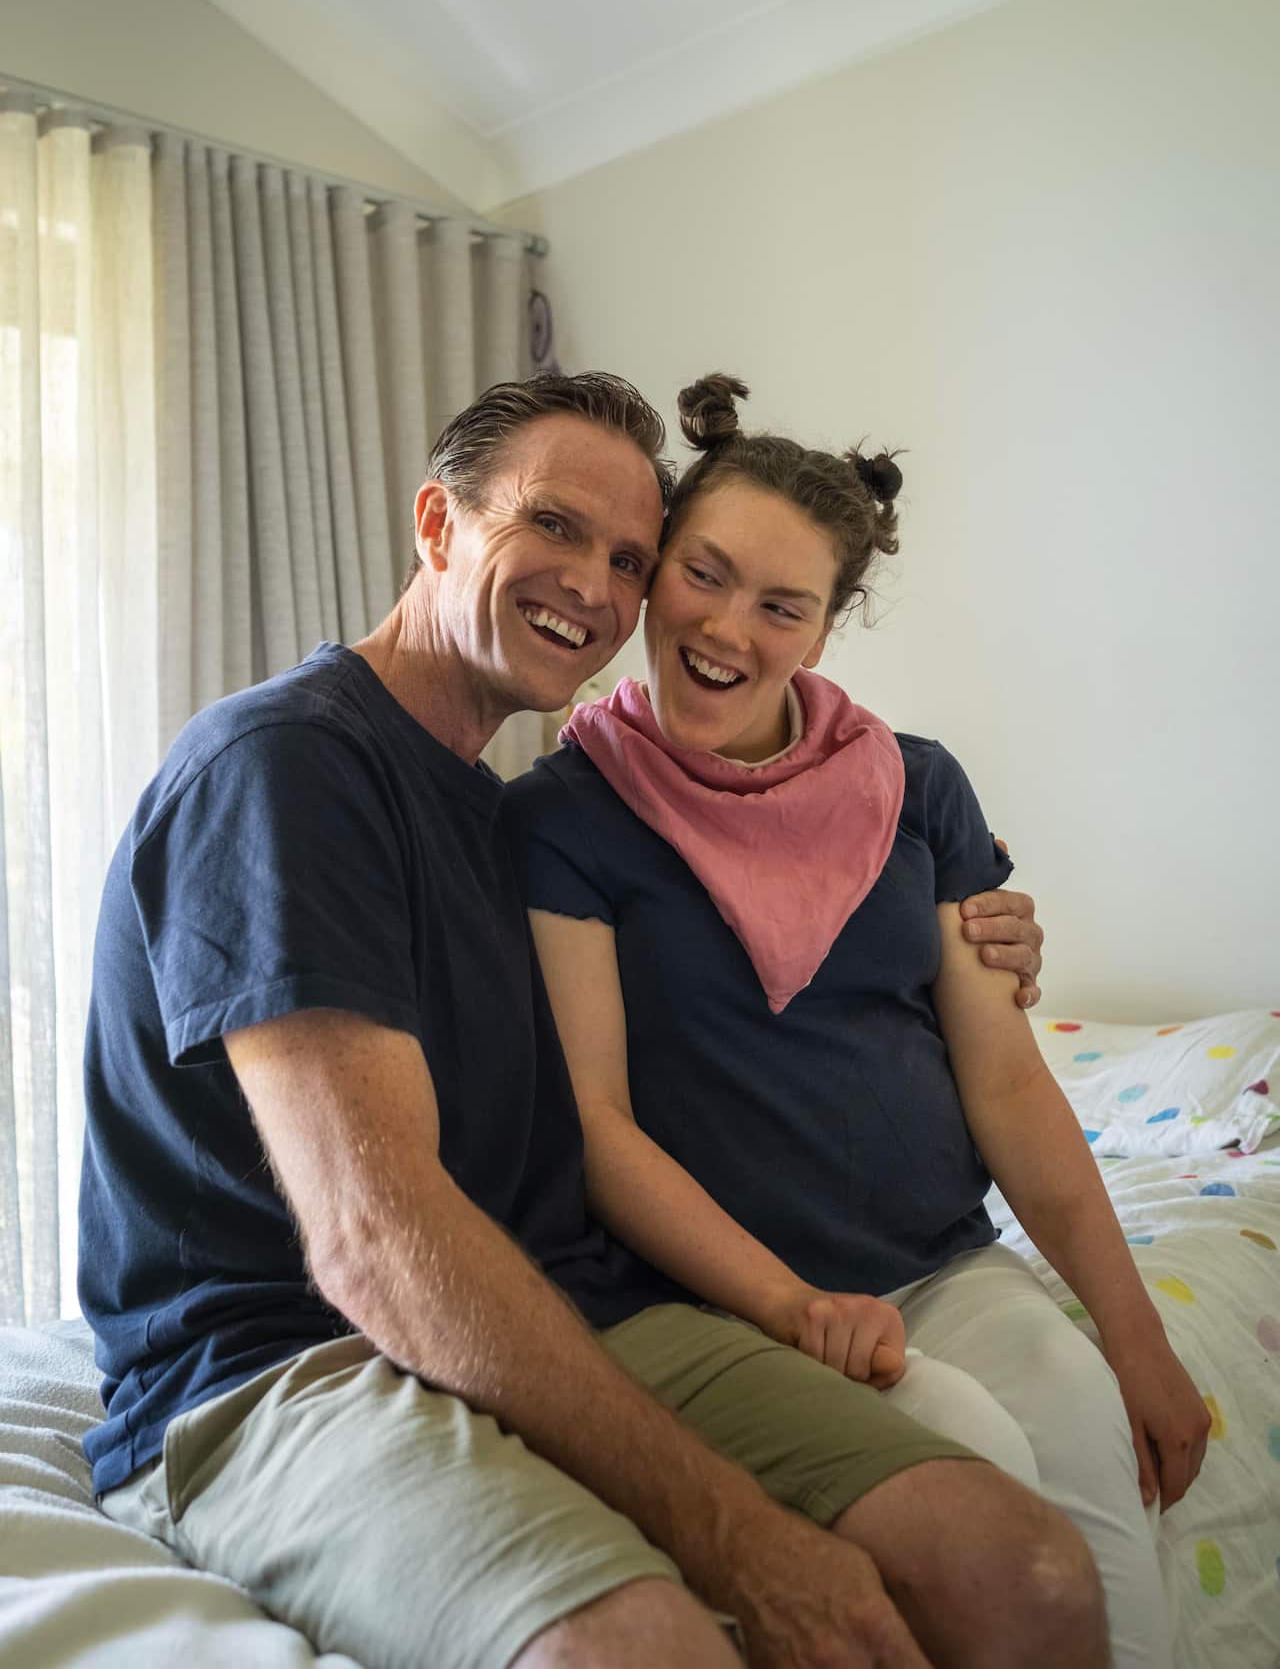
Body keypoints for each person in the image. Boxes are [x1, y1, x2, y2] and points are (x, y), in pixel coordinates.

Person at [78, 371, 1104, 1669]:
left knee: (1024, 1573)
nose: (594, 584)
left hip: (563, 1300)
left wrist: (981, 913)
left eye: (629, 558)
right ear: (437, 524)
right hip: (282, 1360)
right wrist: (736, 1533)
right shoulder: (285, 767)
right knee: (639, 1649)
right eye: (552, 525)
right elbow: (374, 1237)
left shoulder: (515, 815)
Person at [505, 374, 1211, 1669]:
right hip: (741, 1298)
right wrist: (789, 1309)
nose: (729, 628)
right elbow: (598, 1125)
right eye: (703, 576)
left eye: (784, 605)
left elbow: (1006, 1083)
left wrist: (1138, 1335)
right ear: (657, 574)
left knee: (1091, 1435)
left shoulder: (916, 786)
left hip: (942, 1259)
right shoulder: (565, 819)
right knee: (982, 1469)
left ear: (826, 631)